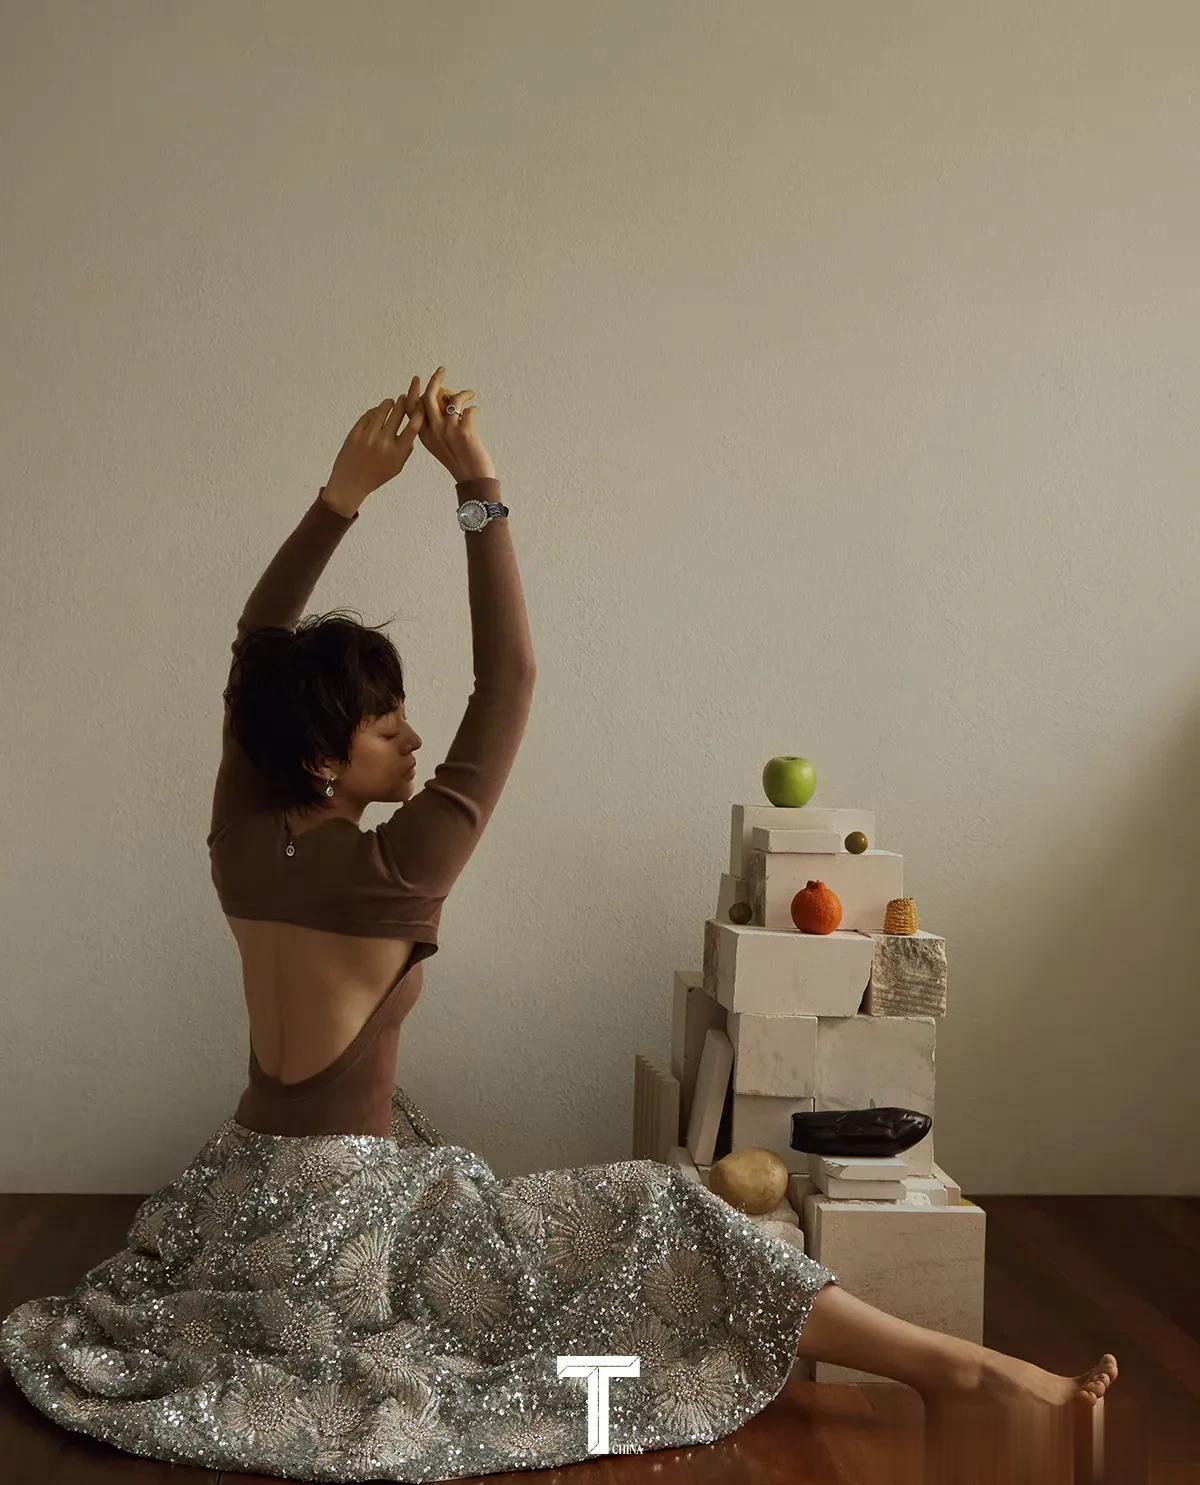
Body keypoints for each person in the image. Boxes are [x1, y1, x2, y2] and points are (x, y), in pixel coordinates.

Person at [0, 369, 1116, 1482]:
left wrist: (342, 498)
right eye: (386, 726)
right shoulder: (394, 867)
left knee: (562, 1235)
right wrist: (476, 487)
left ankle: (962, 1378)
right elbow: (510, 681)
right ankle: (963, 1376)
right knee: (660, 1204)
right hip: (345, 1235)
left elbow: (257, 651)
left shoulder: (240, 838)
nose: (414, 739)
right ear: (321, 758)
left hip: (243, 1198)